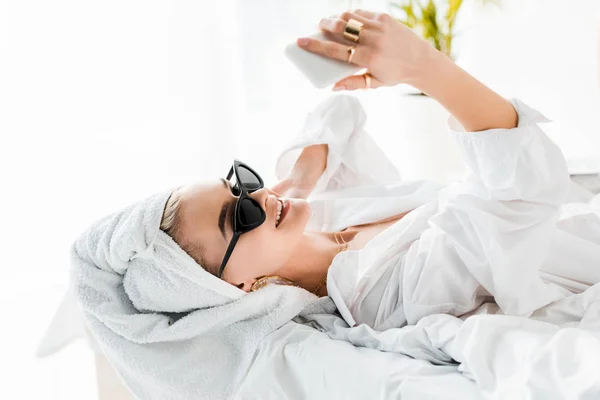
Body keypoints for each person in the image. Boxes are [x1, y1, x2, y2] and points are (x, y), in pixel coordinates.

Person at [159, 10, 600, 330]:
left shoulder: (329, 213)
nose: (255, 197)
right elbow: (522, 192)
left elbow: (339, 112)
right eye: (238, 216)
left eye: (237, 185)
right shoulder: (383, 296)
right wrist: (424, 66)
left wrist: (300, 179)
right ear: (236, 286)